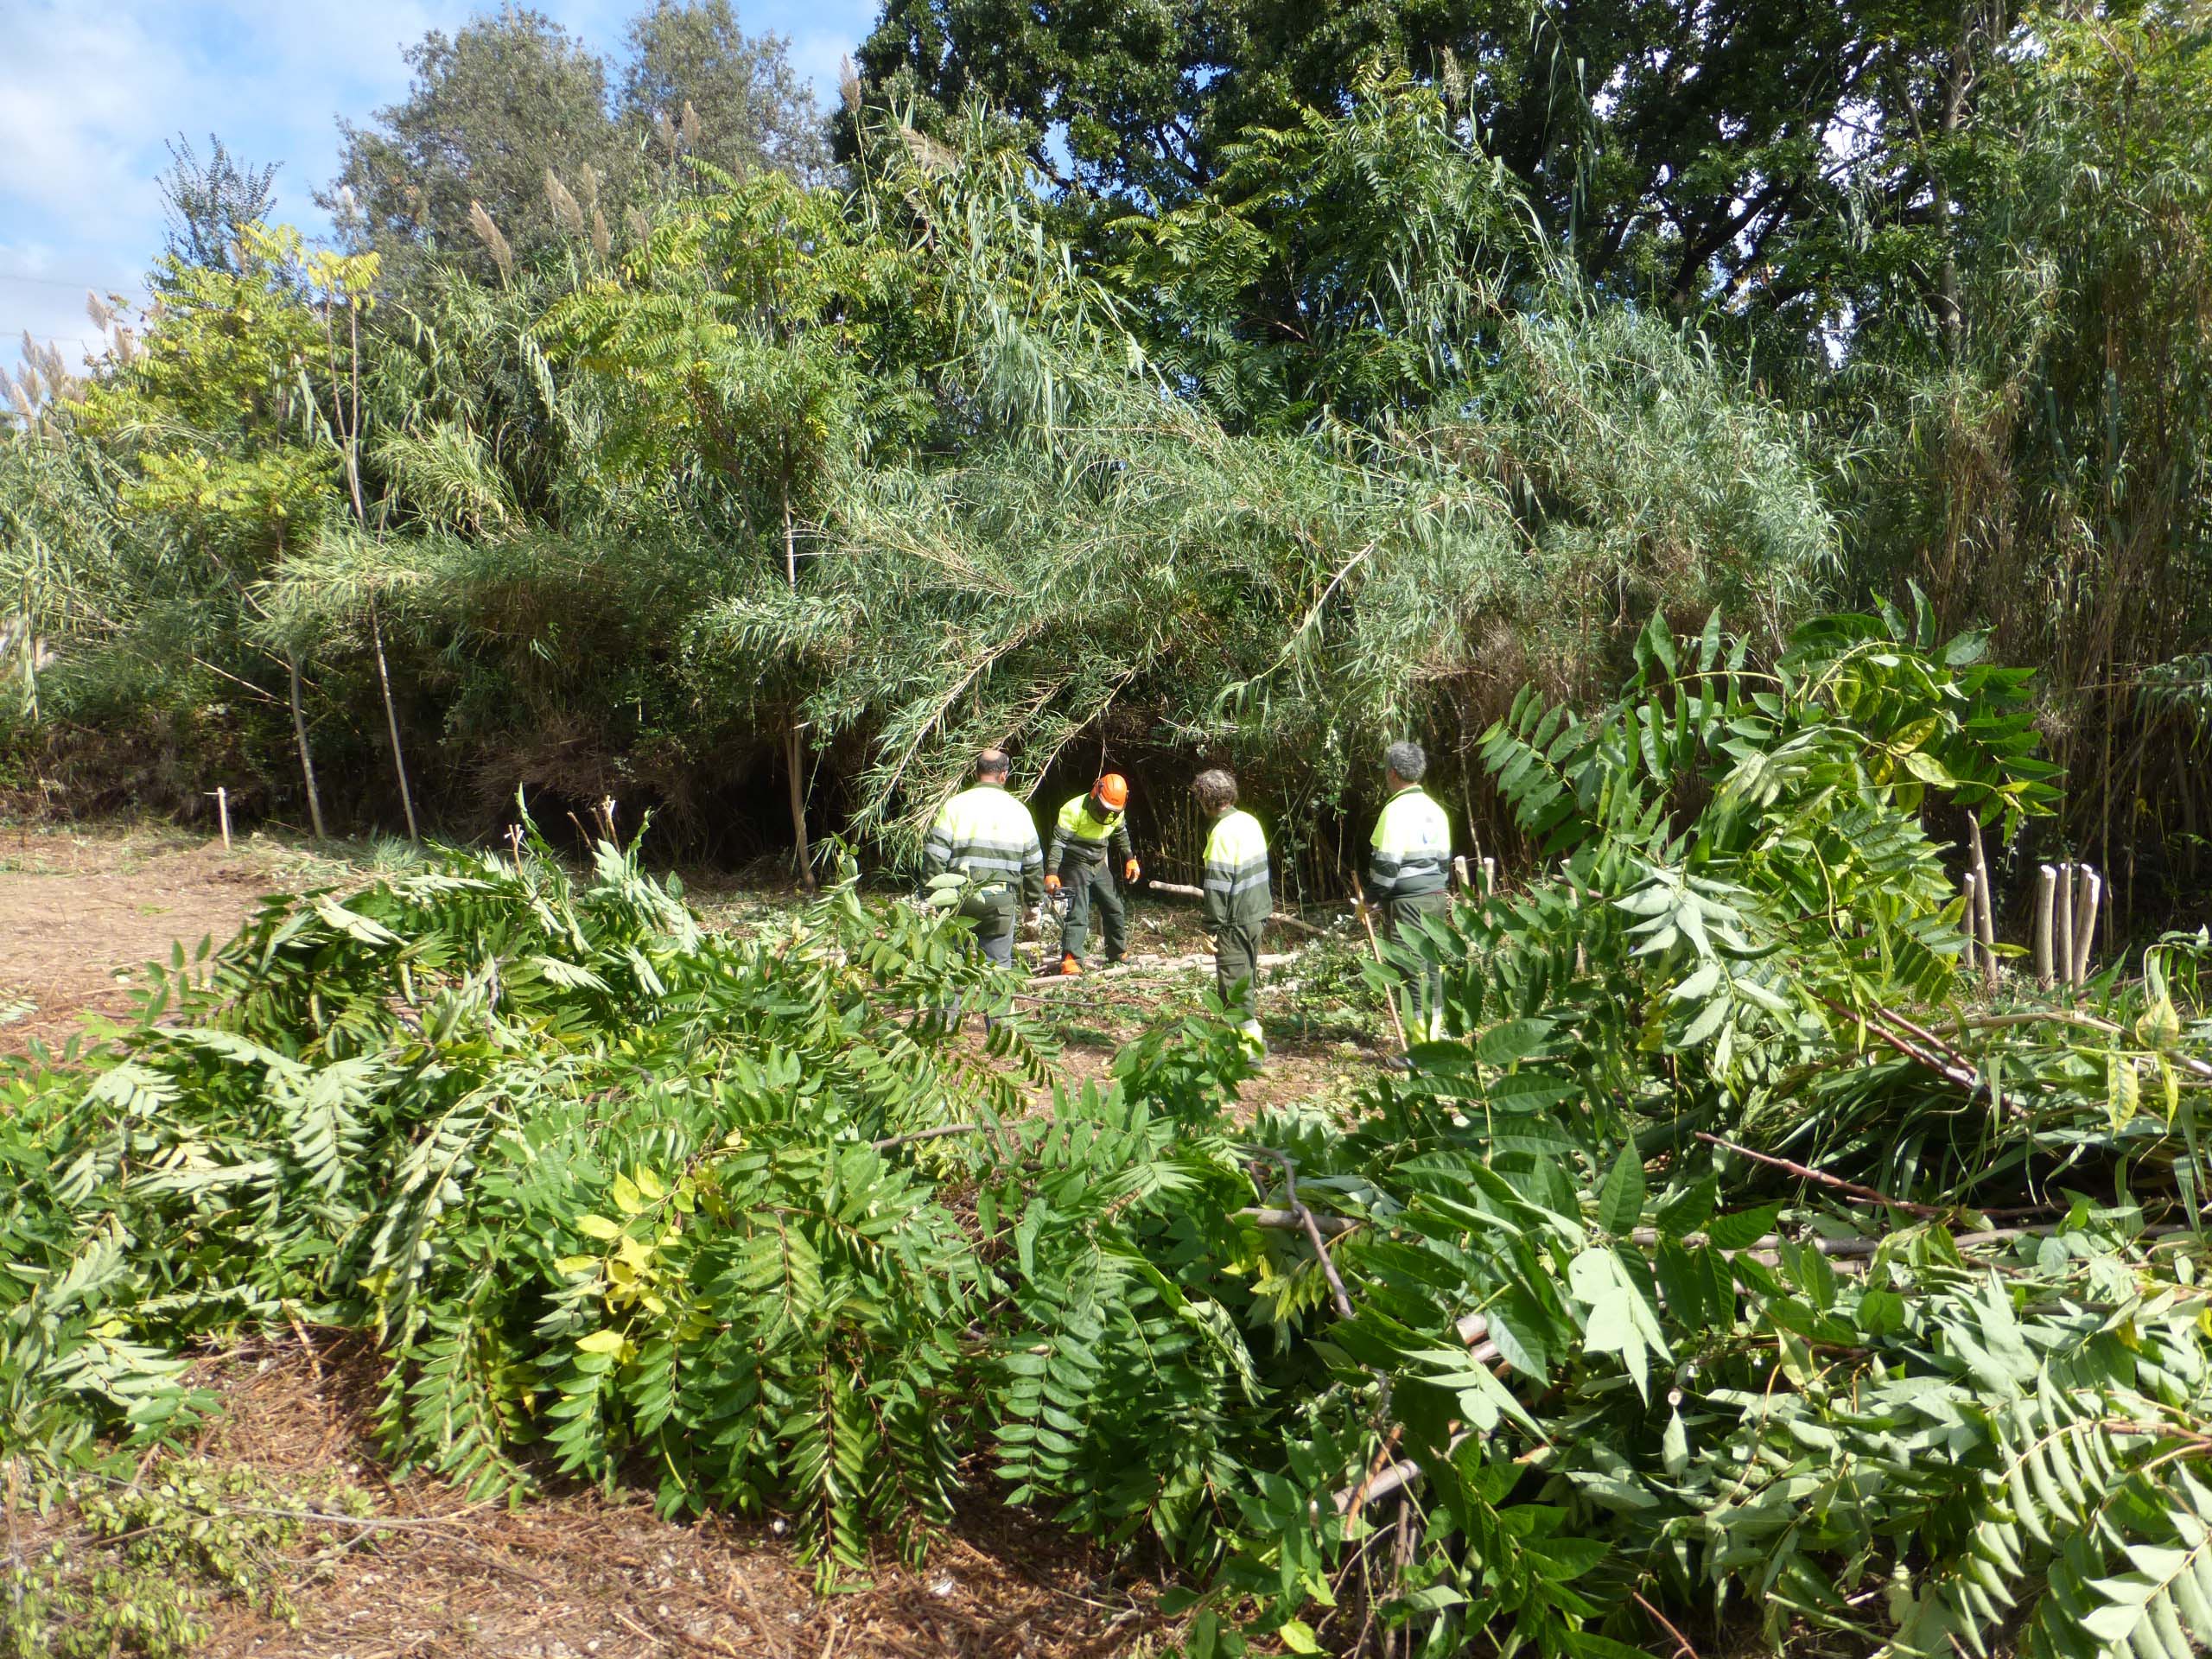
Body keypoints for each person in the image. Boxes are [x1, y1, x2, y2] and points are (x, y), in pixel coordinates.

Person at [923, 748, 1044, 1026]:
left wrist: (931, 897)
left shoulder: (954, 806)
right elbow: (1034, 865)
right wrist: (1033, 905)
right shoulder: (1020, 812)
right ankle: (998, 1031)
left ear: (976, 772)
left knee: (950, 963)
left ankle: (942, 1027)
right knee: (999, 970)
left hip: (957, 899)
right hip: (1000, 902)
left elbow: (934, 856)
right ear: (1004, 775)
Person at [1368, 740, 1453, 1043]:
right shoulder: (1436, 810)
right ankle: (1433, 1035)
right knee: (1431, 967)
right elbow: (1444, 862)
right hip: (1436, 898)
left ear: (1392, 774)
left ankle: (1420, 1048)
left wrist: (1371, 899)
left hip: (1407, 904)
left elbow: (1386, 866)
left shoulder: (1395, 812)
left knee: (1411, 970)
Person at [1195, 767, 1268, 1058]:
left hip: (1234, 921)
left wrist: (1210, 928)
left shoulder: (1222, 833)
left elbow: (1217, 887)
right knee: (1245, 980)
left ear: (1205, 801)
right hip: (1257, 914)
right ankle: (1249, 1044)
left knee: (1234, 988)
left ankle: (1249, 1053)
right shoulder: (1249, 822)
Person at [1045, 772, 1139, 975]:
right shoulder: (1073, 809)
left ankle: (1117, 952)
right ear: (1096, 793)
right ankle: (1071, 959)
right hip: (1075, 862)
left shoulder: (1116, 811)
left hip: (1097, 862)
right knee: (1078, 911)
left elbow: (1121, 833)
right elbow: (1058, 844)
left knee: (1114, 906)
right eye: (1105, 809)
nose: (1107, 815)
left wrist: (1130, 858)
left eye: (1112, 811)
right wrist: (1052, 871)